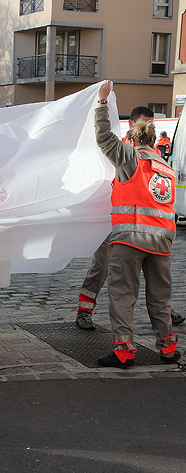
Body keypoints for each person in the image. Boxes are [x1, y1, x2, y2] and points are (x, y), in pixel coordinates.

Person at [93, 80, 179, 367]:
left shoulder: (130, 158)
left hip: (130, 239)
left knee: (122, 295)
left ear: (132, 136)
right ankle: (167, 348)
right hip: (162, 242)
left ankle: (123, 351)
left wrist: (103, 102)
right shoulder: (167, 167)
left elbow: (104, 137)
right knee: (160, 299)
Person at [75, 106, 185, 330]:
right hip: (113, 218)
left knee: (151, 273)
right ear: (132, 124)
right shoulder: (124, 148)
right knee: (101, 267)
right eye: (144, 123)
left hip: (138, 224)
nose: (148, 127)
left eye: (151, 124)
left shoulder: (152, 154)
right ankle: (85, 310)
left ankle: (163, 311)